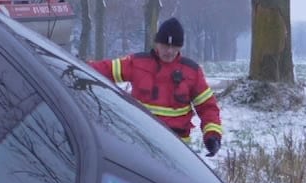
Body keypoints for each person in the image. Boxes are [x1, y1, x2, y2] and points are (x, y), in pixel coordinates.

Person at [90, 17, 224, 156]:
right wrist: (72, 65)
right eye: (165, 45)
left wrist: (212, 135)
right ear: (157, 44)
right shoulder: (138, 63)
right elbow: (105, 69)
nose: (170, 51)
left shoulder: (192, 71)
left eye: (175, 47)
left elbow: (208, 107)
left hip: (177, 148)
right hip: (140, 141)